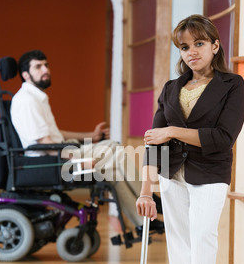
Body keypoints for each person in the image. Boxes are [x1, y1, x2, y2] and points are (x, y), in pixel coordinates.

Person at [136, 15, 244, 264]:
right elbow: (152, 141)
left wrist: (172, 131)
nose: (192, 52)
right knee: (179, 252)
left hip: (209, 175)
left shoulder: (232, 85)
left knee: (202, 244)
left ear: (215, 45)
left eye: (199, 44)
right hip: (172, 178)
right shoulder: (171, 89)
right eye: (185, 46)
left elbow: (222, 138)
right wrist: (146, 189)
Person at [10, 50, 163, 234]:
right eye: (38, 66)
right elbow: (46, 145)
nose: (45, 69)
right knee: (115, 151)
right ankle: (149, 198)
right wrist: (77, 162)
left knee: (113, 169)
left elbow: (56, 134)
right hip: (50, 161)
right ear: (26, 75)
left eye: (46, 65)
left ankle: (142, 222)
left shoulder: (36, 98)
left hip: (57, 152)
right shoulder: (27, 101)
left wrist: (91, 135)